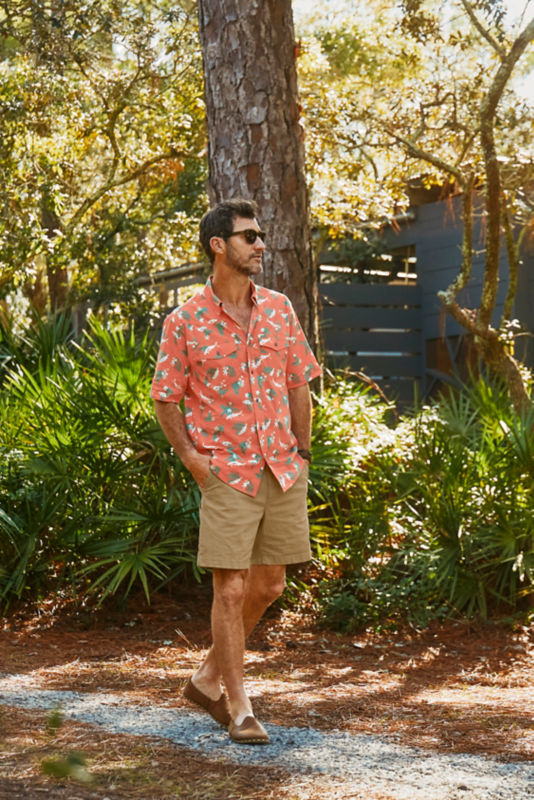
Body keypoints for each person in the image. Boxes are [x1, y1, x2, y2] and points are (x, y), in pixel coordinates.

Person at [151, 198, 321, 745]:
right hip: (225, 471)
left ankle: (204, 679)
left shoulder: (279, 309)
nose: (261, 245)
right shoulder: (184, 321)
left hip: (281, 465)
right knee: (230, 589)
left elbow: (300, 380)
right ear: (218, 245)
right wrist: (195, 463)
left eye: (261, 235)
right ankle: (239, 705)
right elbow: (165, 399)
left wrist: (303, 451)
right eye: (250, 237)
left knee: (269, 584)